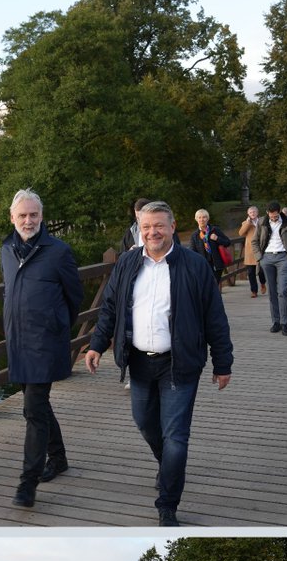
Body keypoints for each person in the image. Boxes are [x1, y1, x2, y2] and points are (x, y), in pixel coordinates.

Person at [85, 201, 233, 527]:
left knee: (176, 437)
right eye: (146, 227)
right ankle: (167, 465)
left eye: (159, 226)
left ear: (172, 227)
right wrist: (96, 344)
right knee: (144, 422)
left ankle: (167, 505)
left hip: (180, 363)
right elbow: (110, 307)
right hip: (138, 362)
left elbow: (215, 317)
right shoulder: (127, 263)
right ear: (140, 229)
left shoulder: (194, 266)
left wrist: (223, 362)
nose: (153, 232)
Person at [0, 189, 83, 508]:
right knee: (38, 406)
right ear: (12, 218)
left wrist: (55, 325)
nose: (28, 220)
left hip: (45, 343)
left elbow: (75, 298)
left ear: (41, 216)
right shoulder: (6, 250)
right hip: (17, 342)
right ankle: (58, 458)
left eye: (33, 214)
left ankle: (27, 483)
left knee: (33, 409)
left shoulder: (58, 251)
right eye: (22, 215)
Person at [255, 202, 287, 336]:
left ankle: (285, 323)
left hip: (283, 258)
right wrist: (260, 257)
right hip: (266, 259)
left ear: (279, 212)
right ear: (267, 212)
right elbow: (254, 241)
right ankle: (276, 322)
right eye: (271, 216)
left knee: (282, 290)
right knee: (272, 292)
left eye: (276, 216)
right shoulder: (261, 222)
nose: (273, 218)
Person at [189, 209, 232, 283]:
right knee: (206, 286)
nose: (202, 220)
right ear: (196, 219)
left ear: (207, 218)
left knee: (214, 285)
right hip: (203, 266)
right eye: (199, 217)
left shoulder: (215, 230)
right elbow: (192, 252)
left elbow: (227, 242)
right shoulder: (194, 235)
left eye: (204, 217)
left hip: (216, 264)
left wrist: (217, 238)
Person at [237, 206, 265, 298]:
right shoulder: (245, 223)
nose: (252, 213)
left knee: (261, 271)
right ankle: (254, 291)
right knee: (250, 272)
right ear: (248, 214)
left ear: (257, 213)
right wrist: (248, 223)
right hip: (250, 251)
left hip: (260, 250)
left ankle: (263, 283)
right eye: (250, 212)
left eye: (254, 212)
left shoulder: (262, 222)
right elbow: (241, 233)